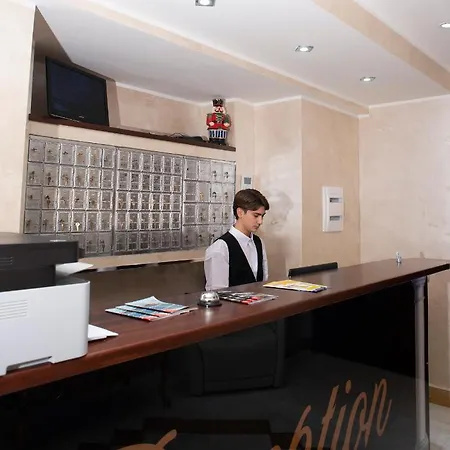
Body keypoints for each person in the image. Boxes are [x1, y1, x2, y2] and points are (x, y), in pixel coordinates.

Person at [204, 189, 269, 291]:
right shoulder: (221, 248)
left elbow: (263, 282)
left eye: (262, 216)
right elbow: (217, 292)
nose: (260, 221)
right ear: (240, 212)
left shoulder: (258, 243)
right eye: (256, 215)